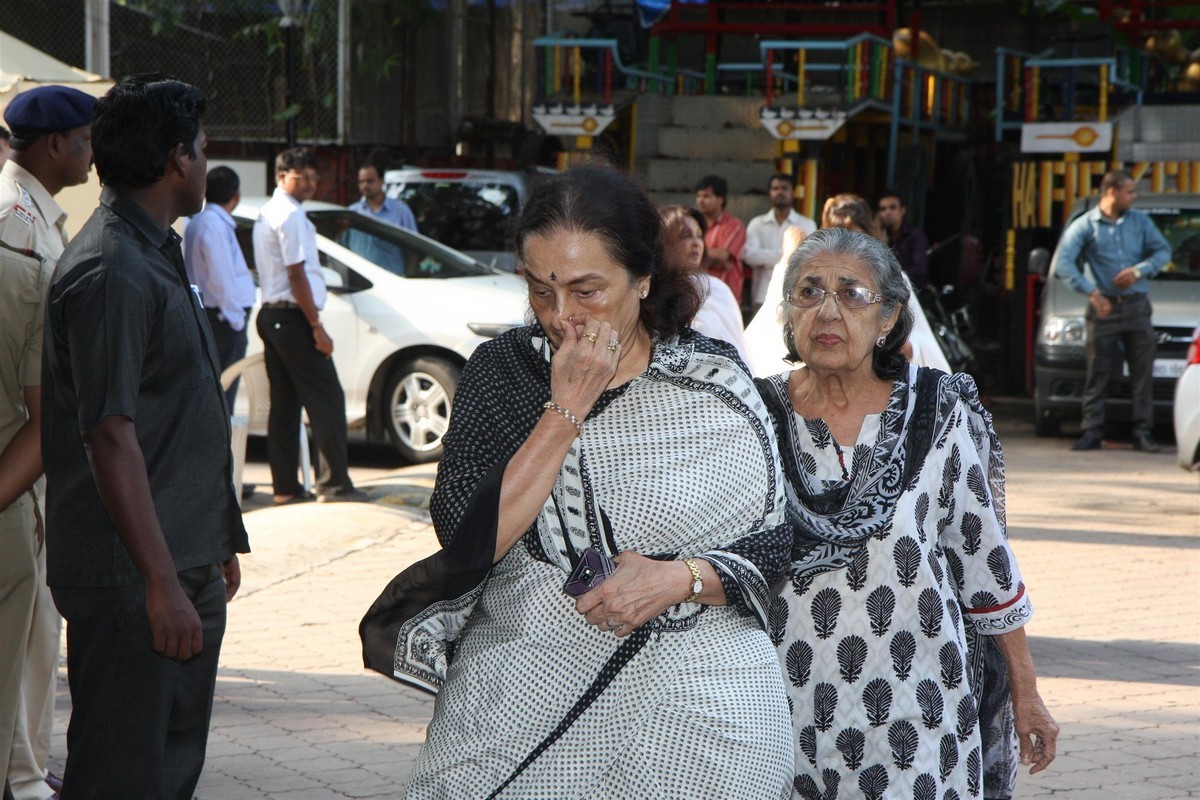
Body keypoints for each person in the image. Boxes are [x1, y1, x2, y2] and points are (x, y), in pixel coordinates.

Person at [361, 166, 794, 798]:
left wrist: (679, 578)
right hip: (522, 695)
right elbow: (465, 538)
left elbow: (773, 542)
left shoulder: (712, 380)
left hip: (701, 709)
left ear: (643, 280)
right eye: (540, 291)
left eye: (587, 291)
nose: (562, 316)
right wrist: (564, 410)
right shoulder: (503, 373)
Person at [755, 227, 1058, 799]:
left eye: (852, 294)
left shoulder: (937, 409)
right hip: (780, 705)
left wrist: (1026, 688)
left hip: (917, 702)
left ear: (888, 317)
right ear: (787, 311)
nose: (827, 311)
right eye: (809, 291)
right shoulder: (753, 414)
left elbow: (983, 556)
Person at [40, 74, 249, 798]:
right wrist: (162, 581)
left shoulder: (153, 248)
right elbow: (108, 435)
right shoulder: (110, 268)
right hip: (132, 576)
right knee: (122, 775)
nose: (204, 158)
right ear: (177, 161)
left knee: (163, 772)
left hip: (176, 558)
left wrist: (213, 536)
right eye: (200, 147)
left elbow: (176, 411)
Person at [0, 83, 96, 800]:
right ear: (55, 144)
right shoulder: (20, 234)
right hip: (13, 474)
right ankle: (19, 776)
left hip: (24, 476)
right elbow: (39, 404)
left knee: (35, 639)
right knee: (18, 642)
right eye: (84, 139)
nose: (92, 151)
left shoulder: (35, 220)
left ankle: (26, 767)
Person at [254, 147, 366, 504]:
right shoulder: (289, 215)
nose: (312, 183)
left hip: (275, 315)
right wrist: (316, 326)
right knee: (327, 399)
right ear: (283, 175)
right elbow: (296, 272)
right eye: (304, 176)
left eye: (314, 177)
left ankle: (285, 488)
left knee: (285, 404)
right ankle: (333, 484)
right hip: (293, 317)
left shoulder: (269, 211)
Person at [743, 194, 952, 377]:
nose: (829, 313)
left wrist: (890, 345)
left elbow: (920, 346)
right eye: (838, 234)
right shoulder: (808, 278)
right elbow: (778, 314)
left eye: (852, 294)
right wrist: (787, 260)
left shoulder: (890, 280)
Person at [1051, 169, 1170, 453]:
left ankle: (1142, 432)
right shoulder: (1085, 225)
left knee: (1142, 371)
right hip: (1103, 306)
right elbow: (1064, 264)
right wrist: (1091, 292)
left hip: (1136, 305)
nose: (1134, 196)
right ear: (1112, 192)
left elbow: (1162, 251)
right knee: (1097, 371)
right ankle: (1091, 431)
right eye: (1129, 191)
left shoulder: (1140, 222)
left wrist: (1139, 271)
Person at [183, 166, 256, 408]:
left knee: (218, 392)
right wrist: (235, 319)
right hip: (222, 320)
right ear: (236, 195)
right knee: (222, 396)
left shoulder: (205, 221)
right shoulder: (212, 224)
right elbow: (221, 280)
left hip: (217, 316)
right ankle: (219, 445)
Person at [658, 204, 751, 364]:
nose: (696, 243)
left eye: (699, 235)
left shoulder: (717, 288)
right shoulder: (653, 292)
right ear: (663, 242)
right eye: (686, 236)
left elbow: (736, 345)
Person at [743, 173, 817, 313]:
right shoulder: (757, 224)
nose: (779, 192)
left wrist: (766, 258)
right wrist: (787, 255)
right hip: (761, 296)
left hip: (797, 297)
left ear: (793, 192)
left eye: (784, 188)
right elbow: (750, 256)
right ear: (769, 193)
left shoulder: (807, 224)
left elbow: (809, 259)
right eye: (775, 188)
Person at [695, 174, 747, 306]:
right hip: (698, 294)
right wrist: (711, 256)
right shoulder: (694, 224)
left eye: (706, 196)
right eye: (698, 196)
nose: (700, 200)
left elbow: (723, 257)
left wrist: (694, 256)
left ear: (721, 199)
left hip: (726, 297)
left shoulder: (734, 226)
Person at [878, 188, 930, 290]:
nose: (887, 212)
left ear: (902, 210)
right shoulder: (880, 235)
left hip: (913, 291)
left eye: (892, 207)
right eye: (883, 209)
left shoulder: (915, 235)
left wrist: (892, 278)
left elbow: (920, 269)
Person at [349, 163, 416, 232]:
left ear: (382, 181)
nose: (365, 185)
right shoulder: (353, 211)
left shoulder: (401, 212)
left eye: (370, 181)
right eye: (361, 182)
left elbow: (413, 241)